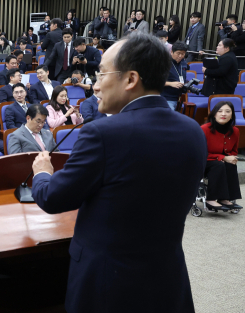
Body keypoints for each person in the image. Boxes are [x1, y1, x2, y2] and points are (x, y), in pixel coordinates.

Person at [31, 32, 205, 312]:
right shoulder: (194, 131)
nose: (95, 86)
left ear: (131, 79)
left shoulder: (101, 133)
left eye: (101, 75)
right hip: (166, 280)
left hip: (106, 286)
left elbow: (53, 198)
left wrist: (41, 172)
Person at [202, 101, 241, 211]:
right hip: (204, 162)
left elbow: (233, 151)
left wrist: (231, 158)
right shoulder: (204, 129)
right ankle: (211, 199)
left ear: (232, 115)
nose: (223, 114)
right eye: (220, 111)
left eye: (228, 111)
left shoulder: (235, 131)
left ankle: (225, 198)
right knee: (218, 165)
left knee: (230, 165)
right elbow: (200, 153)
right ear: (214, 114)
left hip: (220, 163)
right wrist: (222, 157)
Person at [161, 41, 188, 110]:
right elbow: (153, 81)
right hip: (166, 97)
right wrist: (170, 83)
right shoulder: (164, 63)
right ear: (171, 52)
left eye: (183, 54)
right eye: (178, 53)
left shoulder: (183, 63)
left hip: (180, 98)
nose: (180, 56)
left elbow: (181, 77)